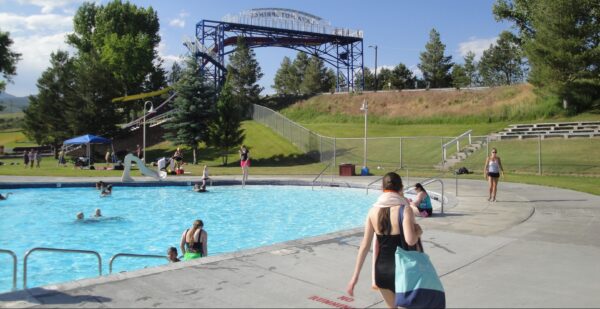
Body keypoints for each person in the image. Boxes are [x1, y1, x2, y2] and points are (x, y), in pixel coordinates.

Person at [346, 172, 422, 308]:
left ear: (382, 188)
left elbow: (364, 246)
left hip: (381, 271)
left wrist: (355, 276)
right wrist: (418, 232)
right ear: (401, 188)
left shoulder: (372, 211)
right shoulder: (405, 209)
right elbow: (411, 241)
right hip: (403, 270)